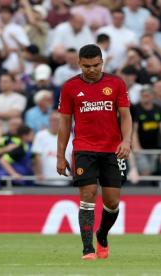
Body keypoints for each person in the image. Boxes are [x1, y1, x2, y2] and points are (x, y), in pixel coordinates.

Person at [57, 44, 132, 260]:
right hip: (84, 149)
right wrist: (61, 155)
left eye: (96, 65)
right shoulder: (70, 87)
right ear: (79, 63)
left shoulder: (116, 83)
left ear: (102, 62)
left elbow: (125, 116)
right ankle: (87, 248)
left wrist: (126, 141)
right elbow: (64, 123)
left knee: (112, 202)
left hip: (112, 150)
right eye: (87, 66)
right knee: (88, 195)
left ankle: (102, 234)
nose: (91, 69)